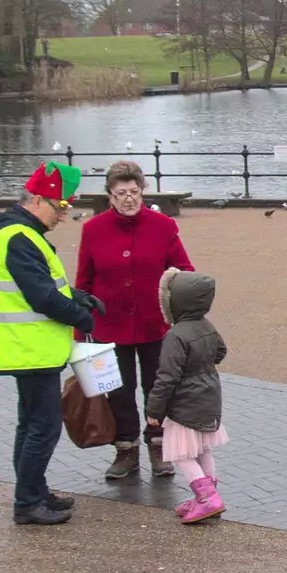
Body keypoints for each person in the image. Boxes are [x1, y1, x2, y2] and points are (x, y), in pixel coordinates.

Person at [0, 162, 105, 525]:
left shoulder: (21, 234)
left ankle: (34, 491)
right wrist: (80, 316)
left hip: (30, 349)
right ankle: (27, 502)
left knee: (31, 424)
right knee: (43, 427)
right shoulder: (19, 238)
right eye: (60, 206)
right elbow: (41, 297)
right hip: (30, 349)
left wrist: (78, 297)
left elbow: (46, 287)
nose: (63, 215)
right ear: (37, 200)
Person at [75, 160, 194, 480]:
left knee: (159, 388)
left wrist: (183, 312)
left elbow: (184, 270)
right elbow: (83, 282)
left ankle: (158, 445)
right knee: (118, 390)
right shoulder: (93, 229)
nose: (128, 198)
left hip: (155, 323)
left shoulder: (163, 226)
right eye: (120, 193)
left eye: (134, 192)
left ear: (142, 192)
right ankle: (125, 449)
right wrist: (79, 325)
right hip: (109, 325)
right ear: (109, 197)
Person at [145, 268, 228, 524]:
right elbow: (221, 351)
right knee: (203, 448)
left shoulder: (175, 335)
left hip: (184, 404)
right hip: (208, 396)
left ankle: (207, 498)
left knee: (182, 454)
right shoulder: (207, 325)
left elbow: (167, 377)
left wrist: (154, 411)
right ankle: (208, 493)